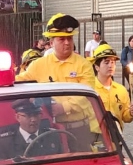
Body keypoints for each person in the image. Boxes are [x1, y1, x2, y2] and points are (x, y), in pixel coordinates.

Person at [16, 14, 99, 150]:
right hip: (49, 130)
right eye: (62, 39)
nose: (67, 42)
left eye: (70, 38)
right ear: (51, 42)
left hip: (78, 129)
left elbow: (86, 96)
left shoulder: (83, 65)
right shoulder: (39, 65)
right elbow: (20, 82)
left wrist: (62, 107)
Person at [0, 99, 64, 159]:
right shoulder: (6, 142)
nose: (33, 119)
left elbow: (62, 162)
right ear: (18, 117)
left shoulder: (52, 136)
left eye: (36, 115)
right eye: (28, 116)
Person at [89, 44, 133, 129]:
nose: (110, 65)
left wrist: (131, 112)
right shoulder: (90, 90)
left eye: (113, 62)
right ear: (97, 67)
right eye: (106, 62)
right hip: (96, 139)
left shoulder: (121, 90)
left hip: (117, 138)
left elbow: (126, 118)